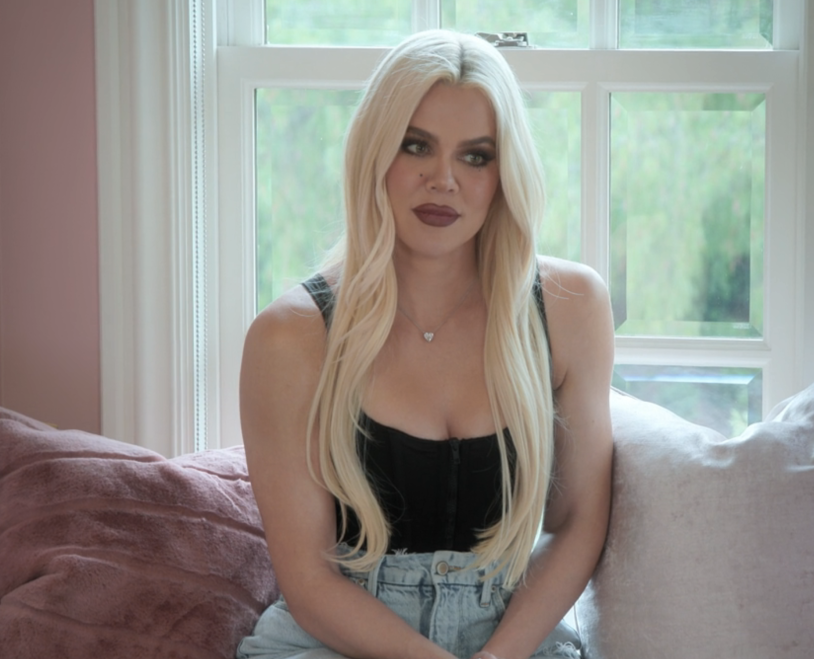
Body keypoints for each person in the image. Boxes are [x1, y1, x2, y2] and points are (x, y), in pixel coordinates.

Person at [236, 29, 615, 659]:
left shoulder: (571, 309)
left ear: (505, 172)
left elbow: (579, 524)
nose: (443, 180)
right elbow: (307, 579)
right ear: (375, 154)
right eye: (416, 146)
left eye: (476, 156)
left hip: (516, 639)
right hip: (337, 640)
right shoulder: (290, 336)